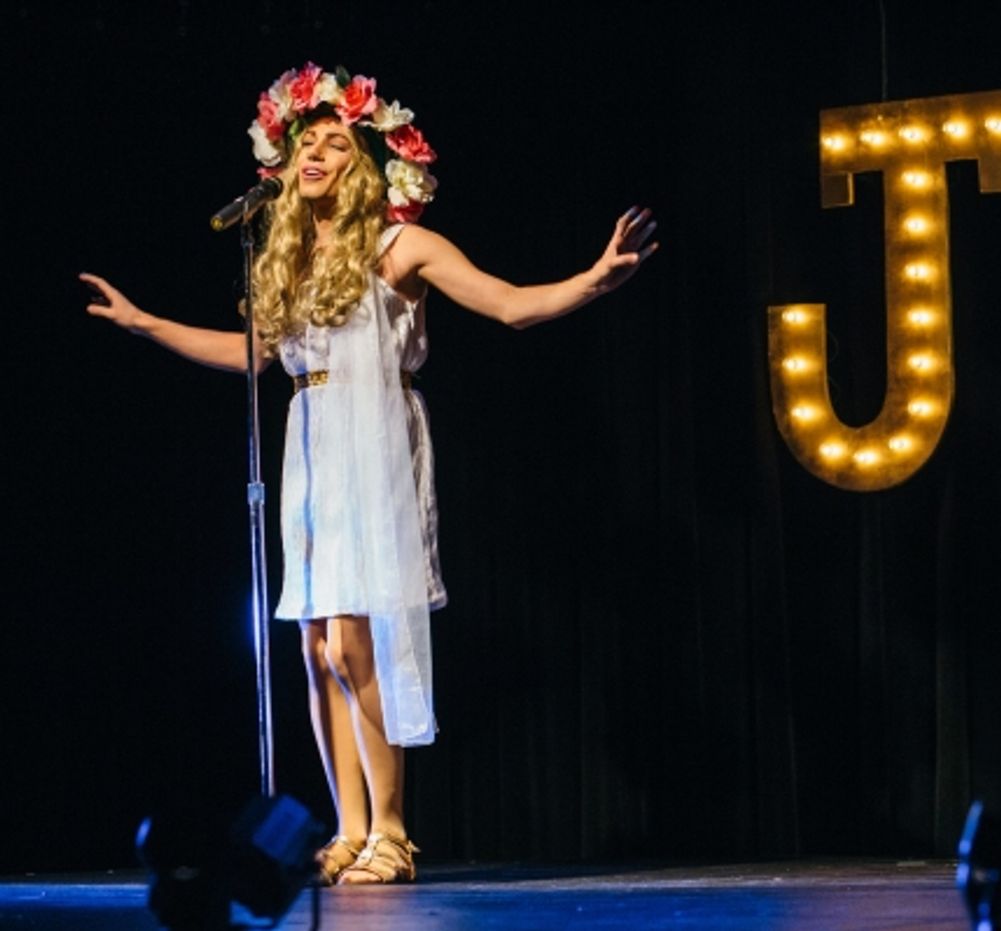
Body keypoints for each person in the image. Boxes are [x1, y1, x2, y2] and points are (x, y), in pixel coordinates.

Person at [82, 62, 657, 885]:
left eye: (332, 142)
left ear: (365, 164)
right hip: (311, 437)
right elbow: (254, 358)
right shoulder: (288, 258)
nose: (313, 152)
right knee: (318, 645)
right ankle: (348, 827)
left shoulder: (401, 245)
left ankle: (393, 829)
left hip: (374, 433)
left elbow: (506, 303)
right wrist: (145, 324)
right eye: (303, 142)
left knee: (357, 642)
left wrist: (593, 280)